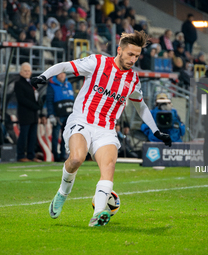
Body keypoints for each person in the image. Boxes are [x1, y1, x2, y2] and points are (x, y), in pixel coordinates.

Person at [30, 31, 172, 227]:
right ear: (119, 50)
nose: (133, 59)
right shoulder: (97, 63)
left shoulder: (132, 79)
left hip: (106, 129)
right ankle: (62, 193)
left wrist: (156, 131)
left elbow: (141, 106)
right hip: (82, 121)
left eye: (137, 56)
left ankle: (98, 214)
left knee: (108, 169)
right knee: (77, 159)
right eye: (130, 54)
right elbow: (65, 66)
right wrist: (43, 76)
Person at [14, 63, 44, 162]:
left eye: (28, 71)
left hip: (34, 115)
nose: (27, 72)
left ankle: (31, 155)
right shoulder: (18, 83)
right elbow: (21, 99)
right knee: (24, 135)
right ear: (21, 72)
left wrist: (39, 108)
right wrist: (35, 106)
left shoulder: (32, 83)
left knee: (32, 136)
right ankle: (21, 155)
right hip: (25, 114)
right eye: (25, 71)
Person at [46, 72, 75, 162]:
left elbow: (72, 99)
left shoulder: (69, 84)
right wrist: (51, 114)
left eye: (63, 74)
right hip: (57, 115)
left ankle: (63, 155)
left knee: (66, 136)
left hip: (69, 115)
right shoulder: (51, 85)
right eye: (60, 74)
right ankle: (55, 155)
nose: (62, 75)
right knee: (55, 135)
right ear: (56, 75)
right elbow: (49, 101)